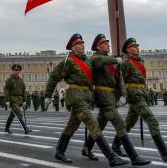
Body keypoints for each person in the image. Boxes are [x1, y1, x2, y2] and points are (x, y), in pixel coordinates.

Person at [45, 34, 128, 166]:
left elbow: (95, 73)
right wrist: (48, 96)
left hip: (86, 96)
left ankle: (59, 152)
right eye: (79, 44)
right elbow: (54, 77)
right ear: (72, 47)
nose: (82, 45)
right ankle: (111, 157)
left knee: (72, 126)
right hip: (75, 96)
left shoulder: (87, 62)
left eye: (83, 43)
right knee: (93, 123)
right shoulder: (68, 61)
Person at [81, 34, 150, 166]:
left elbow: (120, 80)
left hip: (112, 96)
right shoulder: (95, 58)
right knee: (120, 124)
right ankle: (134, 156)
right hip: (103, 96)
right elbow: (101, 61)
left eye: (108, 43)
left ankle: (87, 148)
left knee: (99, 125)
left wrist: (123, 95)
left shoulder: (111, 60)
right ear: (98, 47)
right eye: (104, 44)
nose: (108, 45)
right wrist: (116, 60)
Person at [112, 38, 167, 162]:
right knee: (152, 121)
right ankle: (164, 152)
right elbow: (121, 81)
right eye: (133, 46)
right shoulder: (126, 62)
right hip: (134, 95)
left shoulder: (139, 61)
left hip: (140, 93)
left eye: (137, 45)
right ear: (128, 50)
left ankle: (115, 145)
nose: (137, 47)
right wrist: (123, 95)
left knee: (128, 124)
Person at [4, 64, 31, 134]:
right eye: (15, 70)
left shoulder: (21, 80)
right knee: (18, 113)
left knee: (12, 115)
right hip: (12, 99)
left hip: (19, 99)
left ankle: (6, 128)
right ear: (12, 71)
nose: (16, 71)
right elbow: (6, 90)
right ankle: (25, 128)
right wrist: (7, 100)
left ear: (19, 71)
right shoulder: (9, 80)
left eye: (18, 70)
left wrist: (24, 100)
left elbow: (23, 91)